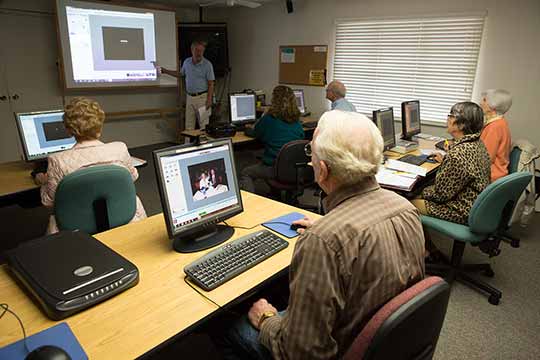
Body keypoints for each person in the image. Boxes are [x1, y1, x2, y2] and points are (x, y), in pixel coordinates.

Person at [220, 111, 425, 359]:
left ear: (323, 171)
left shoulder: (323, 241)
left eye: (311, 155)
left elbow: (301, 353)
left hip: (339, 350)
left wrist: (265, 319)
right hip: (384, 342)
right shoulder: (406, 209)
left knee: (232, 328)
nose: (310, 162)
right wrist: (327, 226)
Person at [35, 97, 147, 234]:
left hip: (76, 228)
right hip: (124, 219)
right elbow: (132, 178)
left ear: (69, 130)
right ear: (100, 125)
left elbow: (49, 202)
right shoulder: (120, 149)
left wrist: (43, 181)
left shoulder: (57, 160)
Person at [412, 102, 491, 225]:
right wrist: (445, 162)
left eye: (451, 115)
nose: (447, 119)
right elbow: (464, 170)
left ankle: (422, 243)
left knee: (405, 203)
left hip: (461, 210)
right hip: (475, 204)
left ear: (462, 124)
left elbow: (440, 195)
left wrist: (418, 192)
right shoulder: (477, 143)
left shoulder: (457, 155)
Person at [240, 85, 304, 193]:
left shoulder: (269, 119)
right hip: (295, 169)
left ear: (274, 100)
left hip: (274, 168)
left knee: (246, 173)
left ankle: (251, 204)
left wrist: (246, 129)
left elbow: (255, 133)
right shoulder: (297, 121)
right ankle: (277, 194)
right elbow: (300, 138)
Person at [156, 40, 215, 131]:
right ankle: (188, 144)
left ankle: (204, 145)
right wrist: (165, 71)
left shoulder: (208, 65)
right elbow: (181, 74)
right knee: (188, 126)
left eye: (201, 51)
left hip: (203, 98)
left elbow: (211, 84)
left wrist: (209, 100)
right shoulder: (187, 62)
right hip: (190, 98)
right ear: (192, 50)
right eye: (197, 50)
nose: (199, 53)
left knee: (204, 126)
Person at [480, 89, 513, 182]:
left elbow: (484, 159)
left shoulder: (494, 127)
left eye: (484, 100)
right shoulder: (500, 123)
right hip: (493, 174)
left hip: (489, 177)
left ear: (493, 105)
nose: (480, 103)